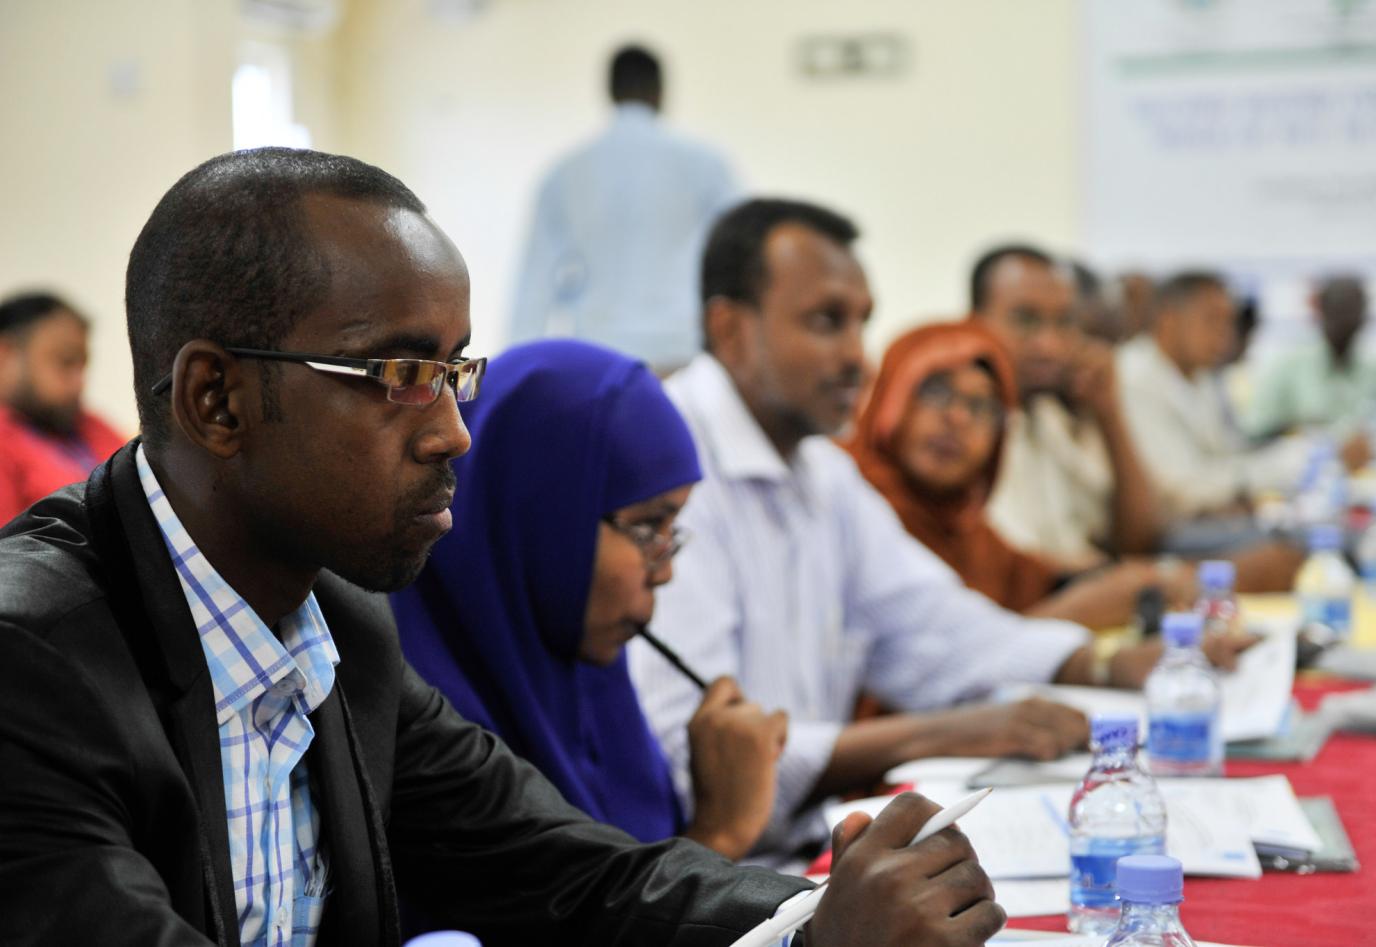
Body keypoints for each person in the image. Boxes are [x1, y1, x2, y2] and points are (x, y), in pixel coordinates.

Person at [0, 149, 1005, 947]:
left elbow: (577, 875)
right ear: (216, 398)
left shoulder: (339, 624)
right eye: (399, 374)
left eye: (454, 372)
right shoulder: (31, 663)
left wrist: (817, 924)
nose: (452, 433)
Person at [630, 200, 1215, 864]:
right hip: (706, 871)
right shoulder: (670, 466)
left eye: (862, 323)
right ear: (730, 328)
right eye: (827, 322)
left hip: (802, 843)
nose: (857, 357)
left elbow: (933, 624)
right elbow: (699, 754)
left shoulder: (822, 471)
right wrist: (945, 732)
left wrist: (1099, 665)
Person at [391, 338, 785, 861]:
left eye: (672, 531)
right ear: (542, 522)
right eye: (648, 526)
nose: (666, 571)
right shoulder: (415, 726)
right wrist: (720, 833)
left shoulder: (594, 689)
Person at [845, 320, 1194, 629]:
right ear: (890, 396)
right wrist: (1069, 615)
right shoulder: (852, 506)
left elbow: (1035, 579)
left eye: (980, 406)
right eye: (936, 392)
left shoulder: (964, 526)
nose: (958, 418)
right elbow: (922, 660)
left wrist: (1128, 582)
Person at [509, 44, 739, 371]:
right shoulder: (706, 164)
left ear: (610, 91)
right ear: (660, 92)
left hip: (601, 353)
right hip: (681, 349)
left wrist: (517, 370)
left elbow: (535, 281)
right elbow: (738, 254)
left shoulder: (565, 172)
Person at [970, 245, 1162, 570]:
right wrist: (1116, 580)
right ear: (974, 322)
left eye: (1064, 322)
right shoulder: (965, 424)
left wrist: (1109, 413)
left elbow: (1139, 538)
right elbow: (1009, 572)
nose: (1049, 345)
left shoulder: (1048, 414)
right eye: (1025, 320)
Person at [1117, 272, 1311, 523]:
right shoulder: (1134, 377)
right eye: (1212, 320)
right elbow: (1183, 491)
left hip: (1204, 519)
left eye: (1228, 322)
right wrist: (1282, 467)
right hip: (1165, 529)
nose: (1225, 335)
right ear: (1168, 320)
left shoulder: (1200, 377)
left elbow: (1227, 455)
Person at [0, 292, 126, 524]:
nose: (79, 382)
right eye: (65, 362)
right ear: (6, 353)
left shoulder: (89, 425)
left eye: (82, 365)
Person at [1246, 276, 1376, 444]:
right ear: (1320, 312)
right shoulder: (1286, 369)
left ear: (1363, 317)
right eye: (1338, 310)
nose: (1346, 320)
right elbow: (1258, 432)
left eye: (1353, 311)